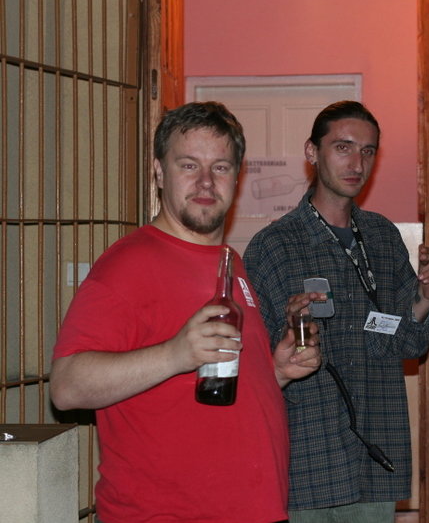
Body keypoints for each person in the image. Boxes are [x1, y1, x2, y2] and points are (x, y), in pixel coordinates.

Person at [50, 101, 323, 523]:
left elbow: (210, 385)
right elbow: (66, 387)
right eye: (189, 165)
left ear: (237, 176)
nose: (206, 182)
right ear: (159, 172)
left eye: (220, 167)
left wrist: (277, 372)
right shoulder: (128, 264)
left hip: (252, 510)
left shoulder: (231, 262)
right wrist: (175, 353)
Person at [243, 100, 429, 522]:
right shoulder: (274, 246)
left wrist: (428, 296)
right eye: (343, 147)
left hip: (375, 450)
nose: (357, 163)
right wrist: (287, 335)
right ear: (312, 152)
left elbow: (405, 343)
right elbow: (253, 367)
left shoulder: (381, 236)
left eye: (368, 151)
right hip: (307, 458)